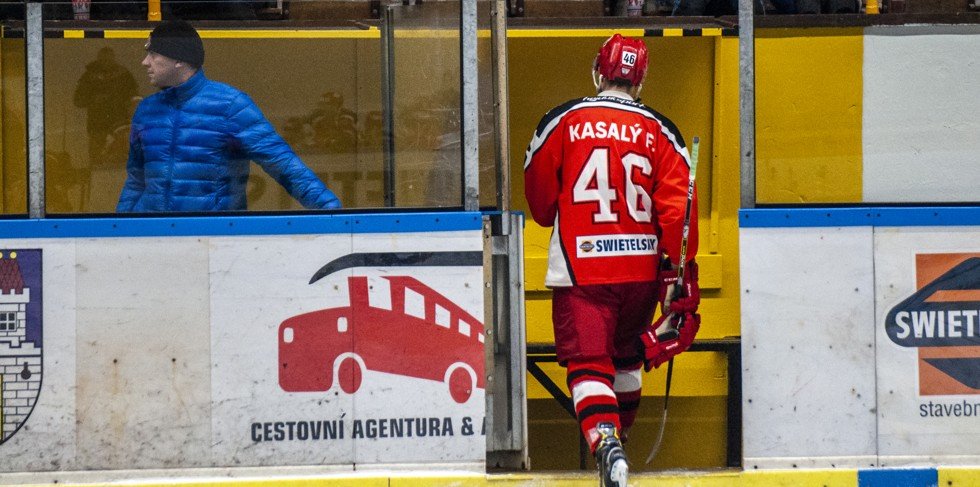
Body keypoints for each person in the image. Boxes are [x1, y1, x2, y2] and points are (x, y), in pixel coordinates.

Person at [522, 34, 701, 487]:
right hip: (640, 271)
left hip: (581, 269)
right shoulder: (663, 131)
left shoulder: (562, 120)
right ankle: (619, 450)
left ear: (598, 72)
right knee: (626, 362)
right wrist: (680, 274)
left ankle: (608, 446)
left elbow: (540, 205)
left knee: (588, 365)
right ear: (640, 81)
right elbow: (679, 217)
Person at [117, 19, 341, 212]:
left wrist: (332, 212)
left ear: (178, 60)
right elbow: (136, 181)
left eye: (153, 54)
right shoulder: (146, 110)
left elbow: (281, 163)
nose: (145, 62)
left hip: (214, 237)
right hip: (152, 235)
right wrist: (120, 228)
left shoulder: (230, 105)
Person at [74, 47, 139, 167]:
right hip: (97, 124)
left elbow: (134, 96)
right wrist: (94, 99)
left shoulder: (123, 75)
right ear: (98, 59)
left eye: (109, 58)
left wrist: (131, 104)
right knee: (96, 160)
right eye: (103, 58)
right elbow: (78, 100)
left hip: (120, 124)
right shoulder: (89, 77)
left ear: (113, 58)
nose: (106, 61)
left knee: (122, 157)